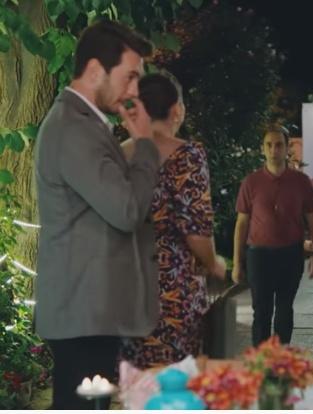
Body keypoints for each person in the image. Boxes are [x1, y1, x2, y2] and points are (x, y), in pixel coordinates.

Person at [34, 21, 159, 409]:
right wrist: (145, 145)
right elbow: (126, 210)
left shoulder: (84, 125)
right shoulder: (74, 128)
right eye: (130, 76)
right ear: (94, 71)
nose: (135, 91)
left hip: (88, 313)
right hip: (82, 315)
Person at [119, 73, 227, 368]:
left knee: (135, 381)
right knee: (175, 380)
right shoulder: (187, 155)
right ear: (176, 109)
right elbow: (196, 231)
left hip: (127, 288)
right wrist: (213, 262)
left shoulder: (118, 155)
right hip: (174, 293)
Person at [232, 125, 313, 346]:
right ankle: (261, 360)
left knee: (284, 309)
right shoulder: (251, 182)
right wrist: (237, 263)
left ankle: (281, 357)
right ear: (263, 148)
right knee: (261, 311)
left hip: (290, 254)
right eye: (269, 145)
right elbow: (241, 223)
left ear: (287, 148)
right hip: (259, 255)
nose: (274, 150)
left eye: (279, 145)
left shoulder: (300, 181)